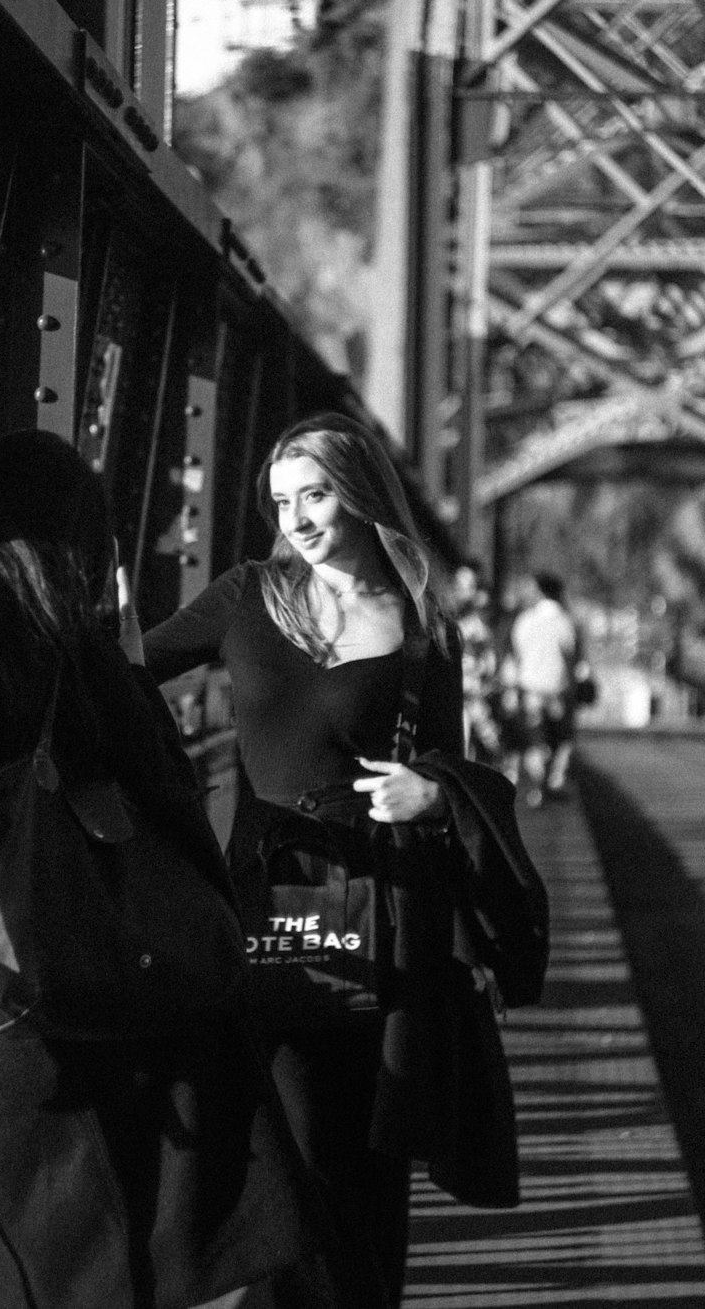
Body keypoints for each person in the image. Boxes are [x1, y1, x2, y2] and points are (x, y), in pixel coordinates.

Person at [0, 429, 348, 1309]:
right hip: (133, 985)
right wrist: (121, 655)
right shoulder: (76, 656)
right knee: (167, 1254)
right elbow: (171, 799)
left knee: (34, 1273)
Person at [135, 412, 520, 1309]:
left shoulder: (424, 626)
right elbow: (126, 674)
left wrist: (431, 794)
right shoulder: (246, 594)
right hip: (268, 903)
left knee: (369, 1153)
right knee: (295, 1138)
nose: (299, 519)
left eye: (315, 495)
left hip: (383, 913)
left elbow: (451, 769)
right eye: (283, 502)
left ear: (359, 492)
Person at [500, 570, 579, 804]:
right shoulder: (566, 622)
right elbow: (572, 655)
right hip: (558, 691)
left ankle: (538, 785)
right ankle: (554, 780)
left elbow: (515, 655)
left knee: (534, 740)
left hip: (530, 690)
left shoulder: (525, 620)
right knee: (561, 738)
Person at [448, 559, 501, 764]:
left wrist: (484, 681)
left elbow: (488, 662)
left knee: (478, 749)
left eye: (469, 586)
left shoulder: (477, 626)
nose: (462, 591)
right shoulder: (445, 618)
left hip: (472, 695)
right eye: (458, 585)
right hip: (453, 695)